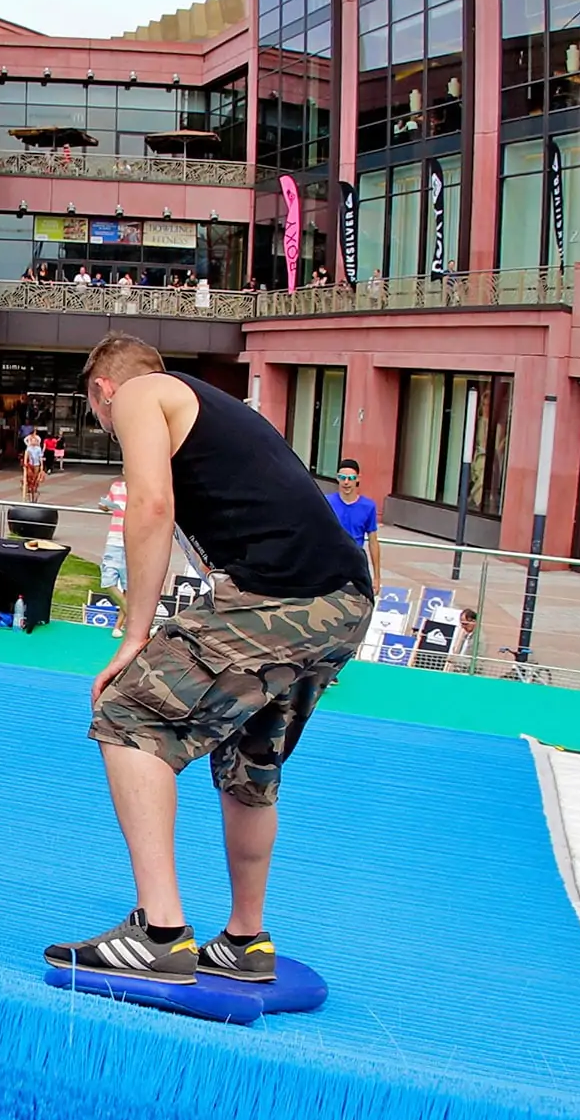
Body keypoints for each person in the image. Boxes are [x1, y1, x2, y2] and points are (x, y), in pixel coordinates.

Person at [44, 333, 372, 986]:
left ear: (102, 391)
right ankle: (245, 941)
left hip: (285, 597)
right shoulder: (214, 411)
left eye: (99, 417)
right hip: (343, 600)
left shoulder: (139, 393)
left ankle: (159, 932)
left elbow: (151, 506)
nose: (110, 428)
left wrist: (135, 637)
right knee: (249, 763)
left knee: (129, 712)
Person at [327, 459, 383, 590]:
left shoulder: (368, 506)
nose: (346, 482)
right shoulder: (327, 502)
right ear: (337, 478)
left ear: (358, 479)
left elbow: (373, 542)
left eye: (351, 478)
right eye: (342, 478)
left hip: (355, 563)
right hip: (330, 562)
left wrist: (377, 577)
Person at [97, 475, 130, 614]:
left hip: (132, 542)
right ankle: (130, 611)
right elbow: (105, 504)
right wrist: (104, 506)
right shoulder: (116, 487)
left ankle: (125, 622)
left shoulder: (143, 489)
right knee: (108, 581)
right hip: (114, 540)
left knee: (129, 587)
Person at [22, 429, 45, 502]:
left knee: (35, 476)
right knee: (29, 476)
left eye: (35, 441)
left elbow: (40, 457)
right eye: (32, 441)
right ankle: (29, 487)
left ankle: (34, 487)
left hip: (36, 464)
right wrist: (25, 463)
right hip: (30, 464)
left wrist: (42, 465)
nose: (33, 442)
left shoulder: (38, 448)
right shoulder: (28, 448)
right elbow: (26, 456)